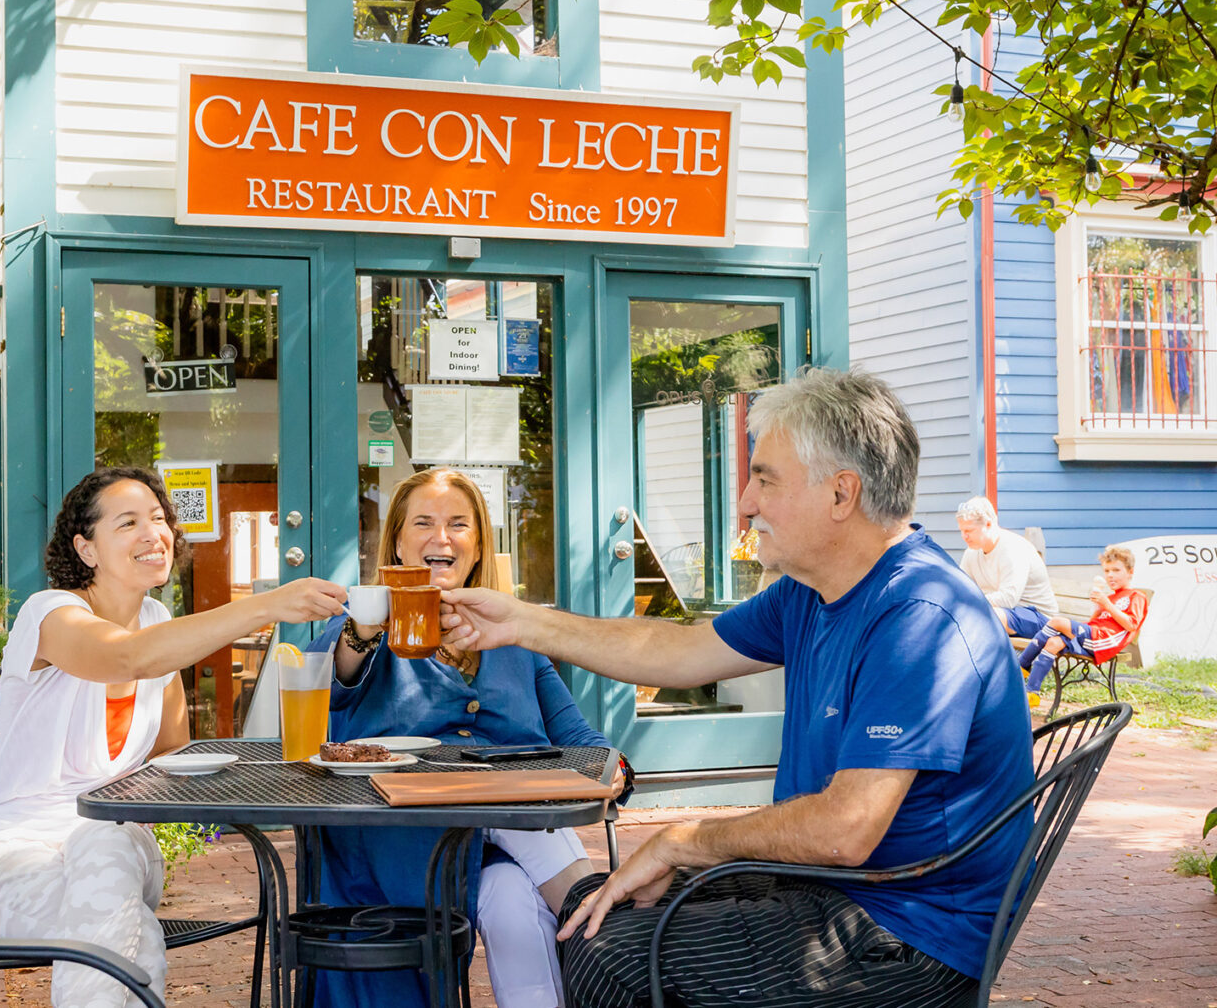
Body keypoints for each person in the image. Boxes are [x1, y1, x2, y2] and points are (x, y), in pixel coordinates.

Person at [442, 368, 1035, 1008]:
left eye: (766, 478)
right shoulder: (813, 592)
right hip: (827, 885)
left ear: (842, 494)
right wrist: (523, 622)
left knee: (611, 960)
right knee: (599, 914)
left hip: (906, 935)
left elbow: (847, 828)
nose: (746, 502)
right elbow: (677, 650)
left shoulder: (919, 614)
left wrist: (687, 840)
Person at [0, 466, 347, 1008]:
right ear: (86, 550)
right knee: (123, 924)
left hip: (115, 845)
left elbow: (172, 753)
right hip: (3, 861)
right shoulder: (51, 613)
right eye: (128, 522)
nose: (154, 533)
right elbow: (124, 658)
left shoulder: (155, 618)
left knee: (104, 847)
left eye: (158, 518)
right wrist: (266, 605)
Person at [313, 467, 627, 1008]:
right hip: (406, 837)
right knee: (529, 827)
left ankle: (594, 925)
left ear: (478, 543)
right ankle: (610, 929)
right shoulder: (363, 628)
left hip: (498, 843)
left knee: (512, 906)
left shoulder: (513, 634)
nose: (442, 537)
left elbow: (576, 735)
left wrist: (614, 767)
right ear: (397, 541)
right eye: (424, 524)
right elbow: (331, 682)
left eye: (459, 524)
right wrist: (366, 625)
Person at [1017, 544, 1148, 708]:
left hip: (1103, 642)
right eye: (1107, 571)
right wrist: (1100, 608)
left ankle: (1022, 665)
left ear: (1130, 572)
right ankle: (1032, 693)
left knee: (1057, 621)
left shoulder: (1137, 596)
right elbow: (1095, 622)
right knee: (1053, 643)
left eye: (1116, 570)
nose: (1110, 575)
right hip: (1092, 637)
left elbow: (1130, 625)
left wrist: (1107, 605)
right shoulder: (1111, 597)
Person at [956, 496, 1059, 638]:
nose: (964, 536)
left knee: (989, 616)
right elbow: (961, 589)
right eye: (961, 530)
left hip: (1039, 618)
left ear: (988, 524)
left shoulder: (1013, 548)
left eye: (969, 531)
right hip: (1002, 615)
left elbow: (1008, 599)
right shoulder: (971, 553)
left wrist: (971, 603)